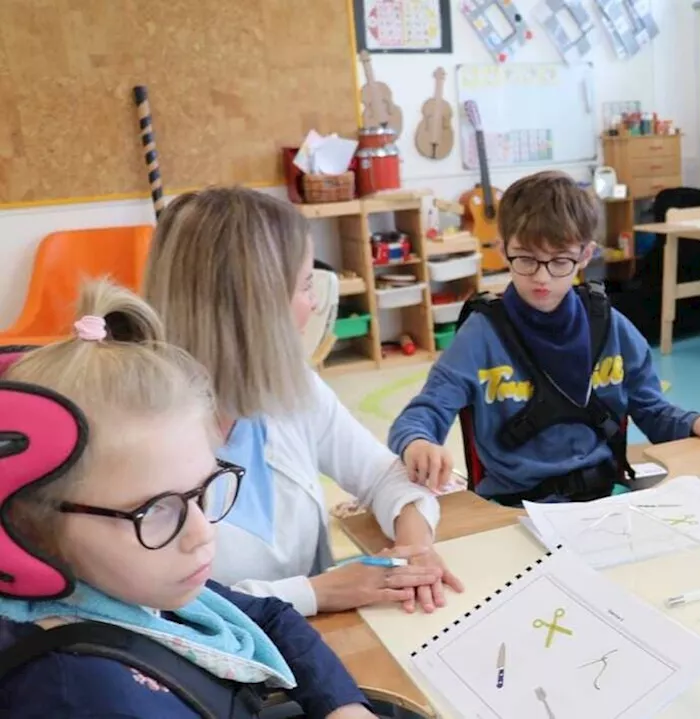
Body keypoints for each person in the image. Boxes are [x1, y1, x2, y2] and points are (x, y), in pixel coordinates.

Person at [0, 283, 376, 718]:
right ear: (33, 531)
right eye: (156, 509)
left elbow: (267, 618)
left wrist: (343, 707)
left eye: (201, 491)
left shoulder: (137, 586)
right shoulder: (82, 695)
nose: (202, 533)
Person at [144, 187, 462, 617]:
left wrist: (415, 545)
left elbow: (383, 475)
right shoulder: (142, 437)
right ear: (255, 306)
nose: (313, 304)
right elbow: (160, 610)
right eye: (306, 285)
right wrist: (318, 592)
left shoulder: (293, 389)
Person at [389, 171, 700, 505]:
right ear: (502, 249)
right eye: (526, 259)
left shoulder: (612, 328)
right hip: (513, 509)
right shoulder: (481, 335)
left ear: (585, 255)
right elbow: (423, 413)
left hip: (603, 498)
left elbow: (653, 412)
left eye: (560, 261)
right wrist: (418, 443)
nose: (542, 278)